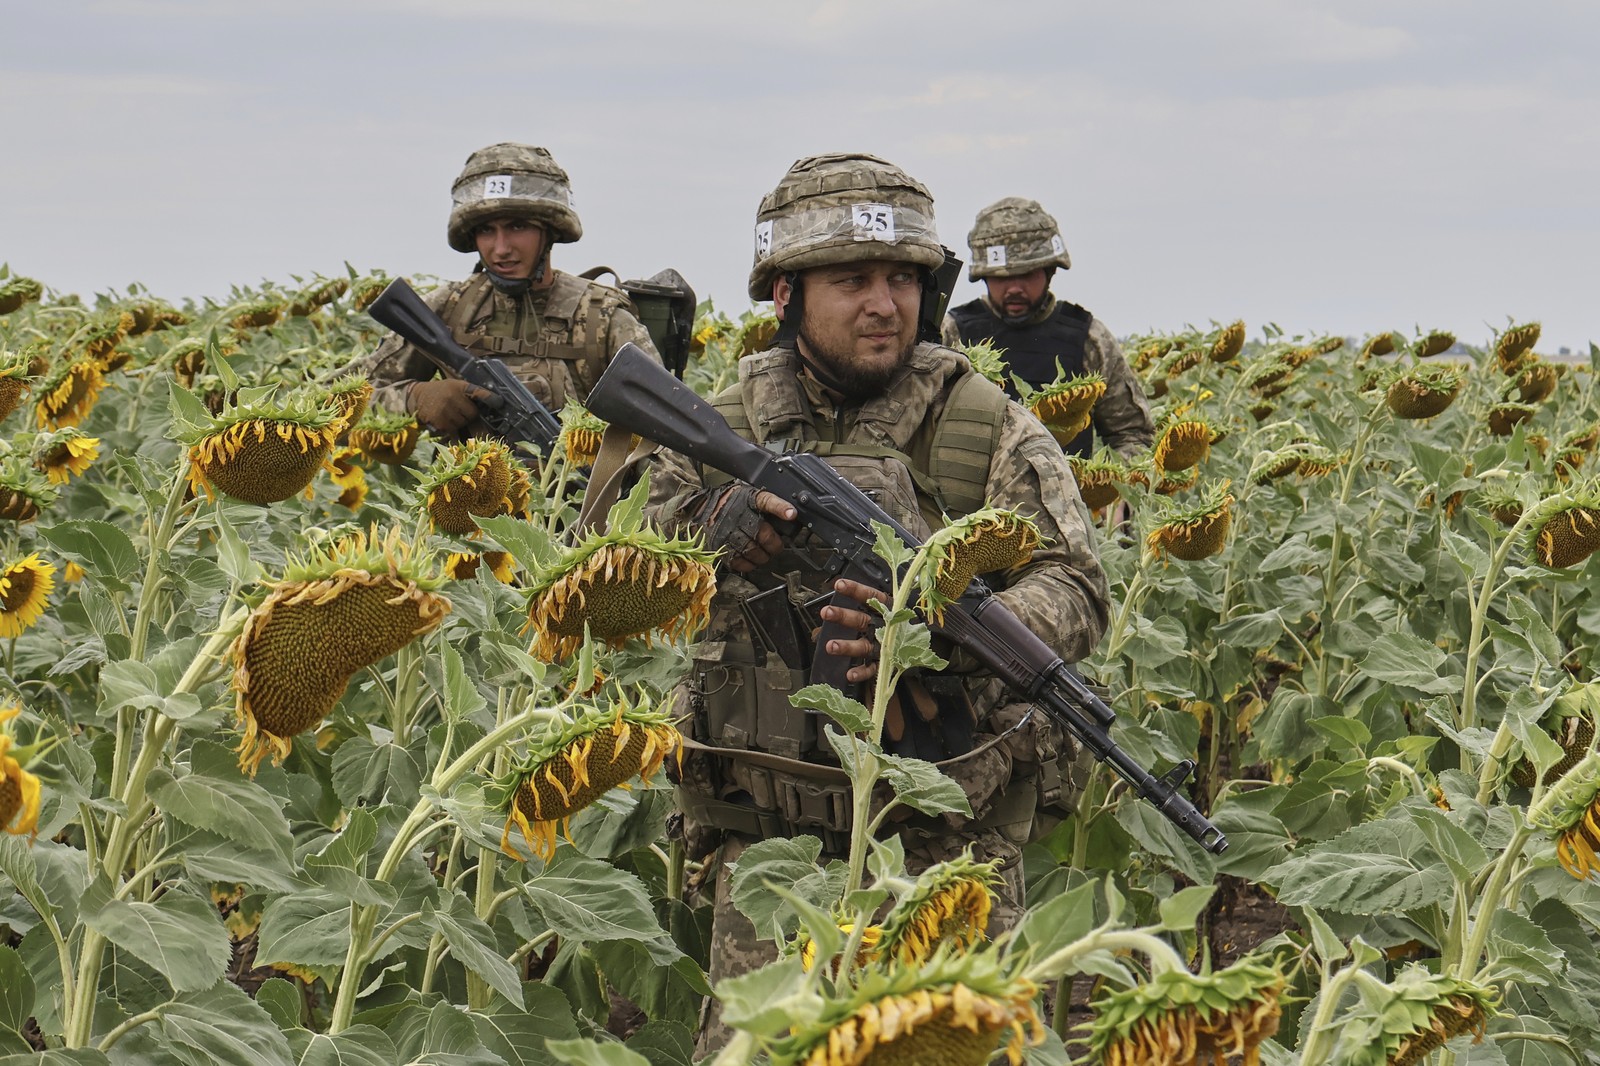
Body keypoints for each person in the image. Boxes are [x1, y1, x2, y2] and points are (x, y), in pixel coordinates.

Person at [637, 153, 1110, 1053]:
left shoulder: (983, 426)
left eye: (902, 279)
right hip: (768, 851)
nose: (885, 305)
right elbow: (617, 565)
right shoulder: (722, 425)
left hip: (941, 851)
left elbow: (1077, 586)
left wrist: (950, 627)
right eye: (852, 280)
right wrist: (709, 523)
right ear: (785, 294)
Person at [360, 142, 659, 437]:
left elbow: (665, 437)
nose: (501, 248)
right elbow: (336, 405)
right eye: (487, 230)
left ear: (550, 230)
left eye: (517, 227)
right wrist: (414, 398)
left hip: (587, 486)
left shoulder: (602, 318)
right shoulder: (449, 308)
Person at [942, 197, 1153, 458]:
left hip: (1069, 497)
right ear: (983, 276)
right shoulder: (953, 334)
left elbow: (1132, 433)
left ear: (1049, 271)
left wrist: (1120, 491)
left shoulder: (1089, 338)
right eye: (1002, 278)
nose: (1015, 288)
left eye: (1027, 275)